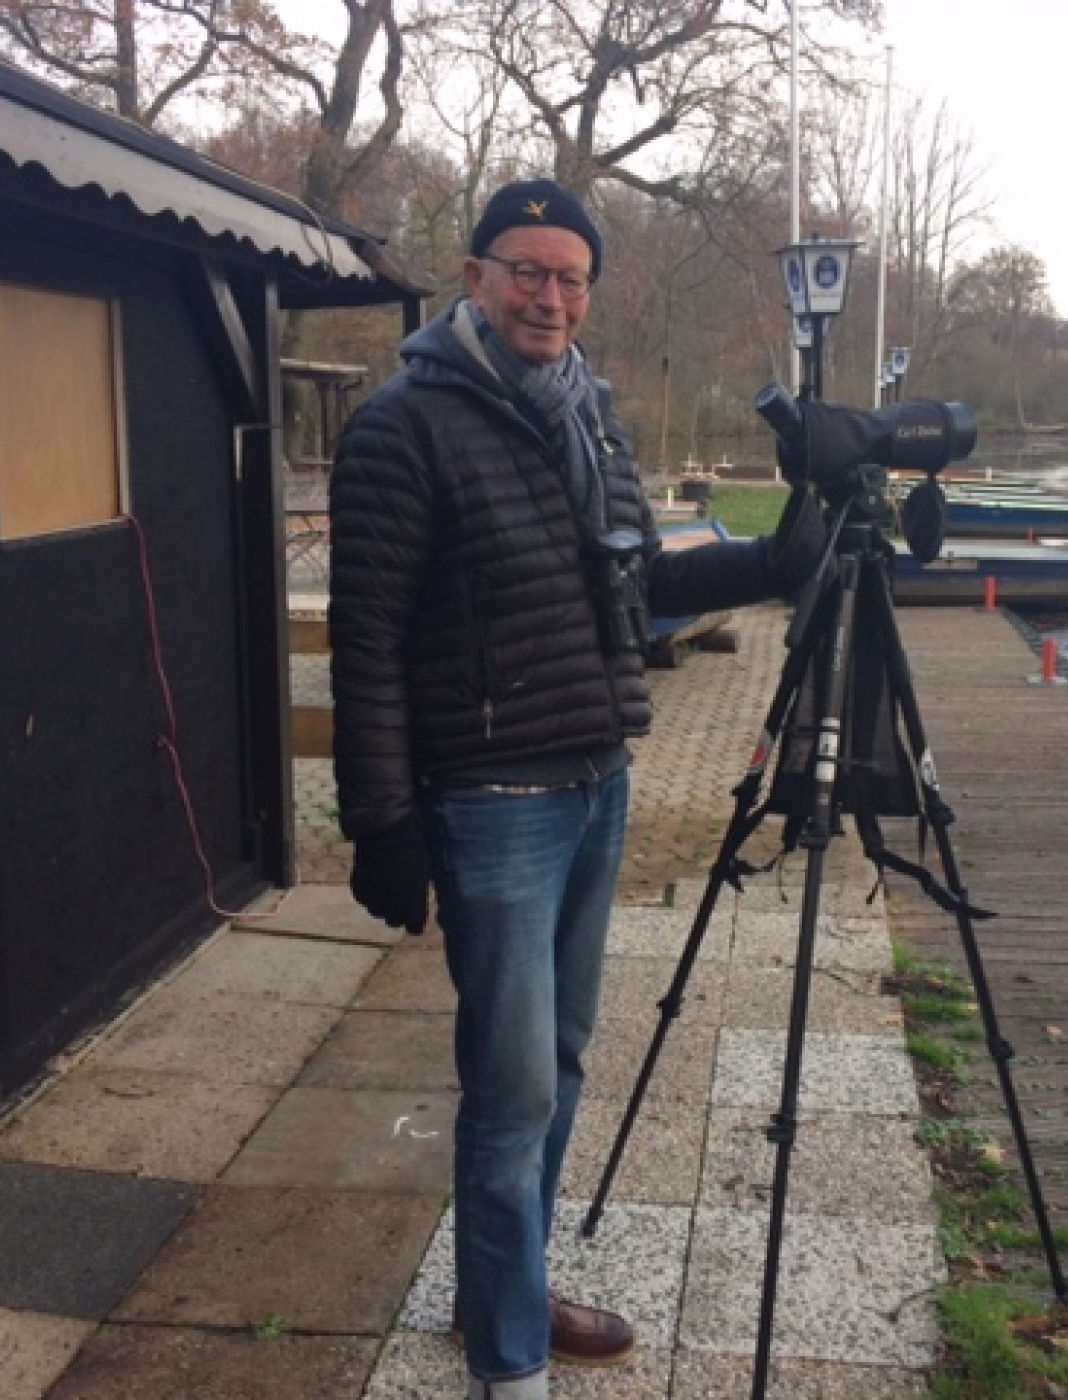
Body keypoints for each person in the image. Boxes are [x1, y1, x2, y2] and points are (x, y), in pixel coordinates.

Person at [328, 178, 824, 1399]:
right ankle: (510, 1362)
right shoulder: (406, 424)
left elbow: (630, 582)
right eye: (528, 271)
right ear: (477, 275)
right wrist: (381, 822)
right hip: (492, 801)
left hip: (598, 776)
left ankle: (507, 1283)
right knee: (509, 1092)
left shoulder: (589, 410)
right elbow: (367, 640)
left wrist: (767, 561)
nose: (551, 295)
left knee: (558, 1058)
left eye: (571, 276)